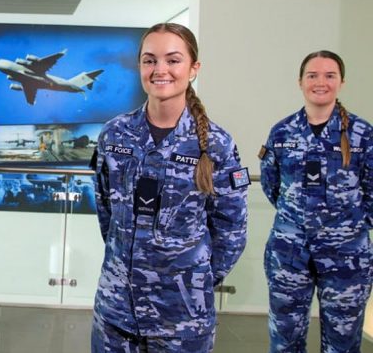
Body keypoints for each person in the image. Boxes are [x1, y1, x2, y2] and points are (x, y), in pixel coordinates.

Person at [90, 23, 248, 352]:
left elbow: (231, 231)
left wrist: (193, 279)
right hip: (116, 313)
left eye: (173, 60)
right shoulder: (114, 134)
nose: (160, 69)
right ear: (140, 68)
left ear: (193, 69)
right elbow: (106, 211)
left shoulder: (217, 145)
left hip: (183, 319)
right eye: (150, 60)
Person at [260, 51, 373, 353]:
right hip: (289, 252)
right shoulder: (282, 132)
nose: (320, 82)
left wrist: (345, 227)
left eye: (329, 75)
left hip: (346, 257)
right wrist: (300, 219)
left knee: (343, 343)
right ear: (300, 82)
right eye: (312, 75)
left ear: (341, 82)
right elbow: (272, 185)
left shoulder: (363, 135)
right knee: (285, 340)